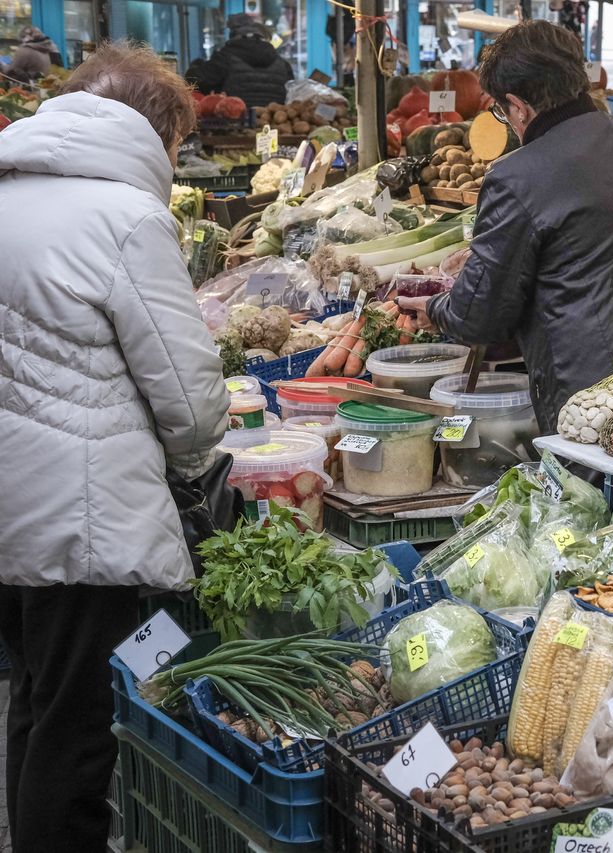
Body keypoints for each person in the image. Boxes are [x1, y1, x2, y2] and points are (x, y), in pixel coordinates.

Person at [0, 42, 229, 853]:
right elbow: (187, 388)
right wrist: (207, 460)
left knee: (35, 701)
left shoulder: (7, 191)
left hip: (15, 509)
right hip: (81, 516)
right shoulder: (126, 217)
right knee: (80, 728)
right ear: (156, 132)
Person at [398, 21, 613, 433]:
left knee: (597, 496)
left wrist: (437, 308)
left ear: (519, 106)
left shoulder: (517, 177)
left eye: (500, 110)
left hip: (601, 404)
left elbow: (480, 317)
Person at [186, 13, 294, 108]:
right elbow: (291, 93)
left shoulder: (225, 57)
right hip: (274, 122)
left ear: (233, 35)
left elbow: (196, 81)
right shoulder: (282, 64)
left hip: (234, 121)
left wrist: (196, 66)